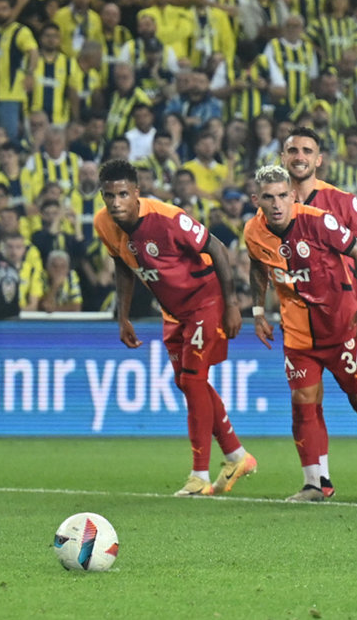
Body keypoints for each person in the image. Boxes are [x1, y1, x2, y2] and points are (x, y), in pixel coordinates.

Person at [94, 159, 256, 497]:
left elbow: (217, 247)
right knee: (186, 382)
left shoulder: (167, 218)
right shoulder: (103, 223)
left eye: (123, 194)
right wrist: (122, 316)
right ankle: (237, 455)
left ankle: (199, 475)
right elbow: (123, 266)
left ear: (136, 193)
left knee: (194, 379)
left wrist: (231, 305)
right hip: (173, 311)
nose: (115, 202)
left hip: (205, 300)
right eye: (109, 196)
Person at [242, 164, 357, 502]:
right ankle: (316, 483)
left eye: (283, 196)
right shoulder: (253, 231)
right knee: (303, 403)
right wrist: (258, 310)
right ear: (257, 199)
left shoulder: (318, 221)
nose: (276, 204)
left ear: (293, 196)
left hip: (342, 327)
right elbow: (258, 264)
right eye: (268, 198)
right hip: (298, 333)